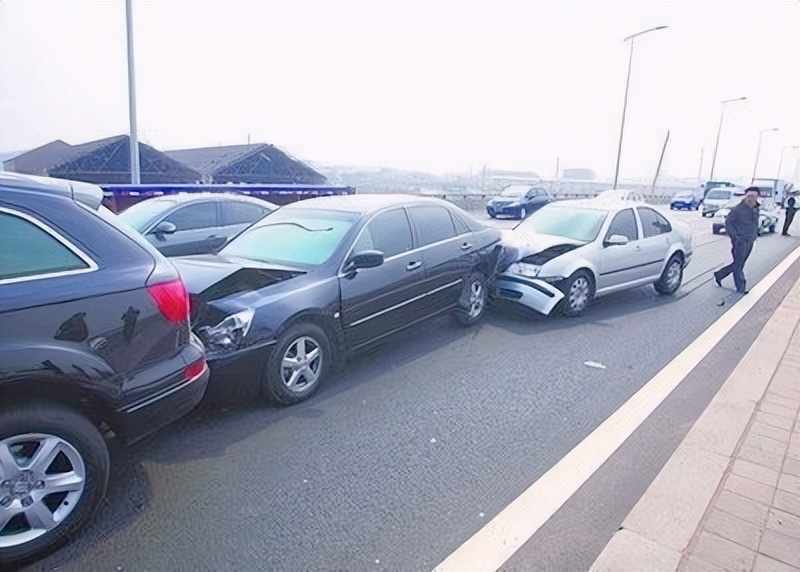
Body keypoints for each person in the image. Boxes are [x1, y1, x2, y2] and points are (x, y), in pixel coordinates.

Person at [714, 187, 760, 294]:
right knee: (739, 265)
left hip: (750, 240)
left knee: (739, 263)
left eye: (753, 196)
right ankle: (741, 287)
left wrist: (754, 235)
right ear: (745, 196)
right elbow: (728, 223)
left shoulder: (756, 208)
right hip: (740, 241)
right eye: (749, 196)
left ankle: (719, 274)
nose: (751, 198)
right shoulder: (738, 209)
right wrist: (735, 237)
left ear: (757, 197)